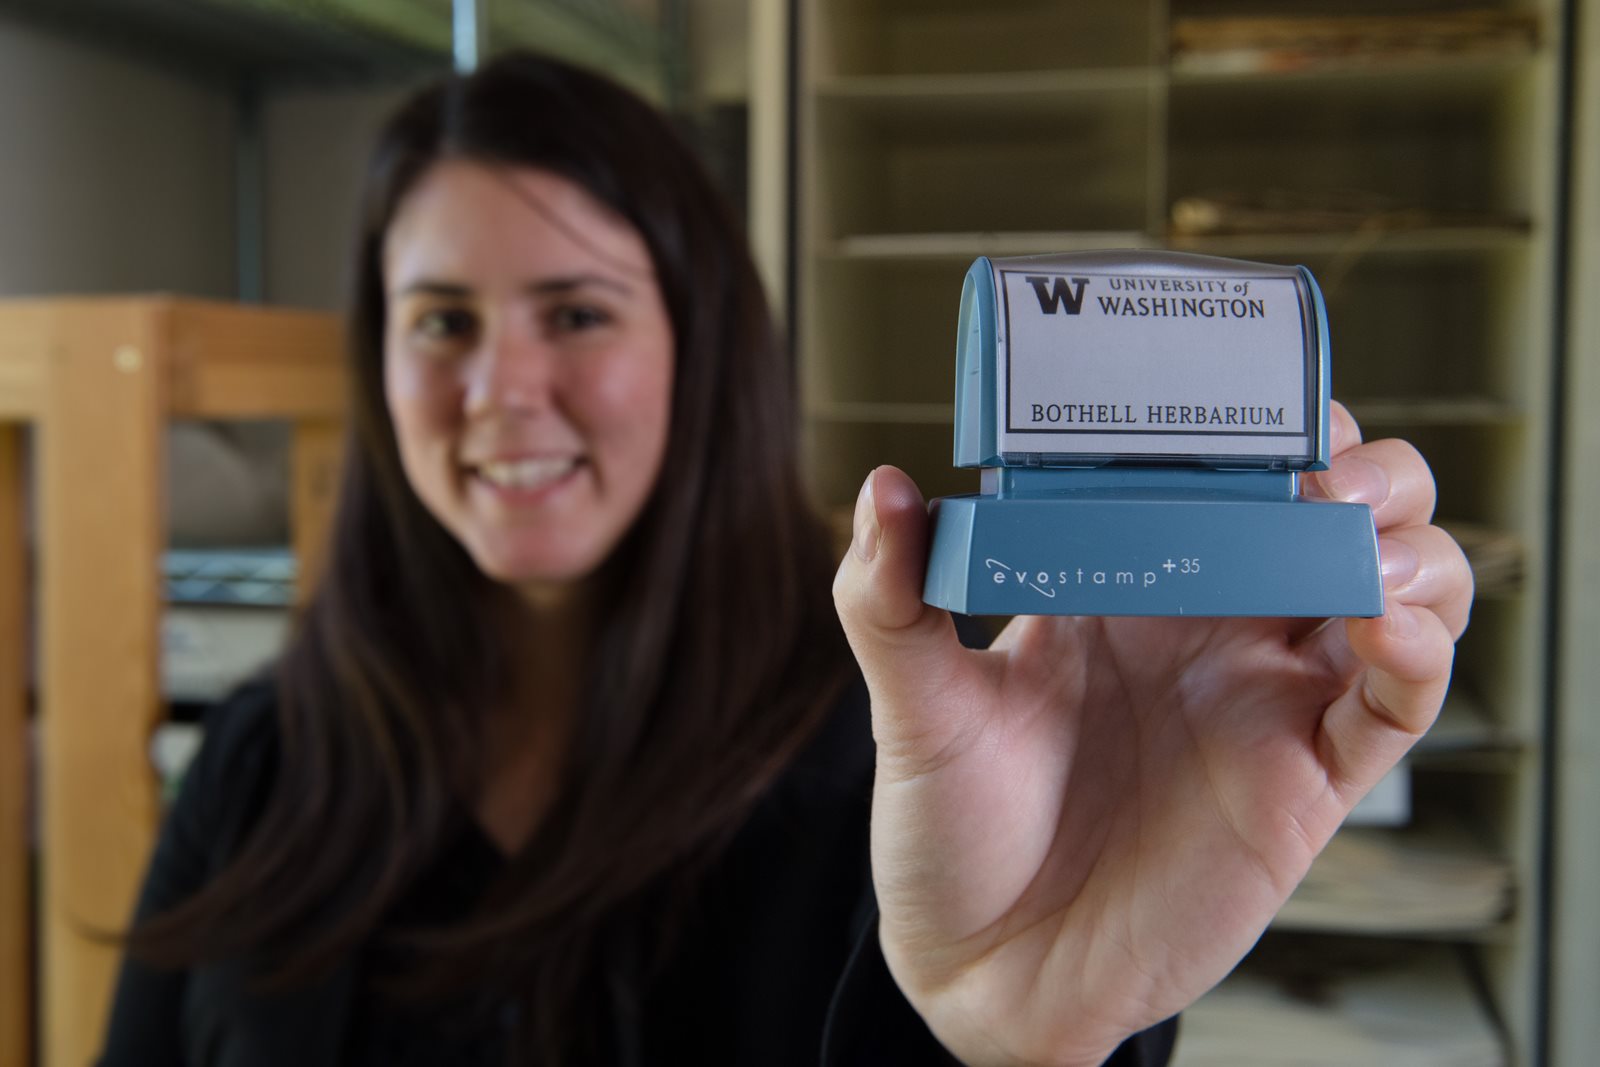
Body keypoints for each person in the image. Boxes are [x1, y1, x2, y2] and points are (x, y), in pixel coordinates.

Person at [99, 51, 1472, 1067]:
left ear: (705, 352)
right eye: (441, 322)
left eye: (576, 313)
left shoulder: (908, 758)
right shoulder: (261, 761)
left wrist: (1010, 1042)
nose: (501, 389)